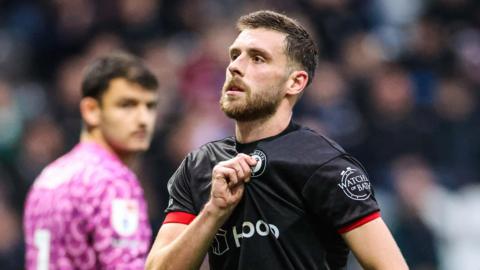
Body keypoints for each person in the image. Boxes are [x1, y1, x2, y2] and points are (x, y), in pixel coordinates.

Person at [146, 10, 408, 270]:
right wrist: (213, 211)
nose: (235, 67)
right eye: (234, 56)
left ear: (295, 82)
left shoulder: (324, 164)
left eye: (258, 59)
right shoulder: (199, 165)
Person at [23, 52, 159, 269]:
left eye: (149, 106)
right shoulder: (113, 182)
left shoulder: (47, 178)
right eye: (127, 105)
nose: (143, 119)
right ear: (91, 110)